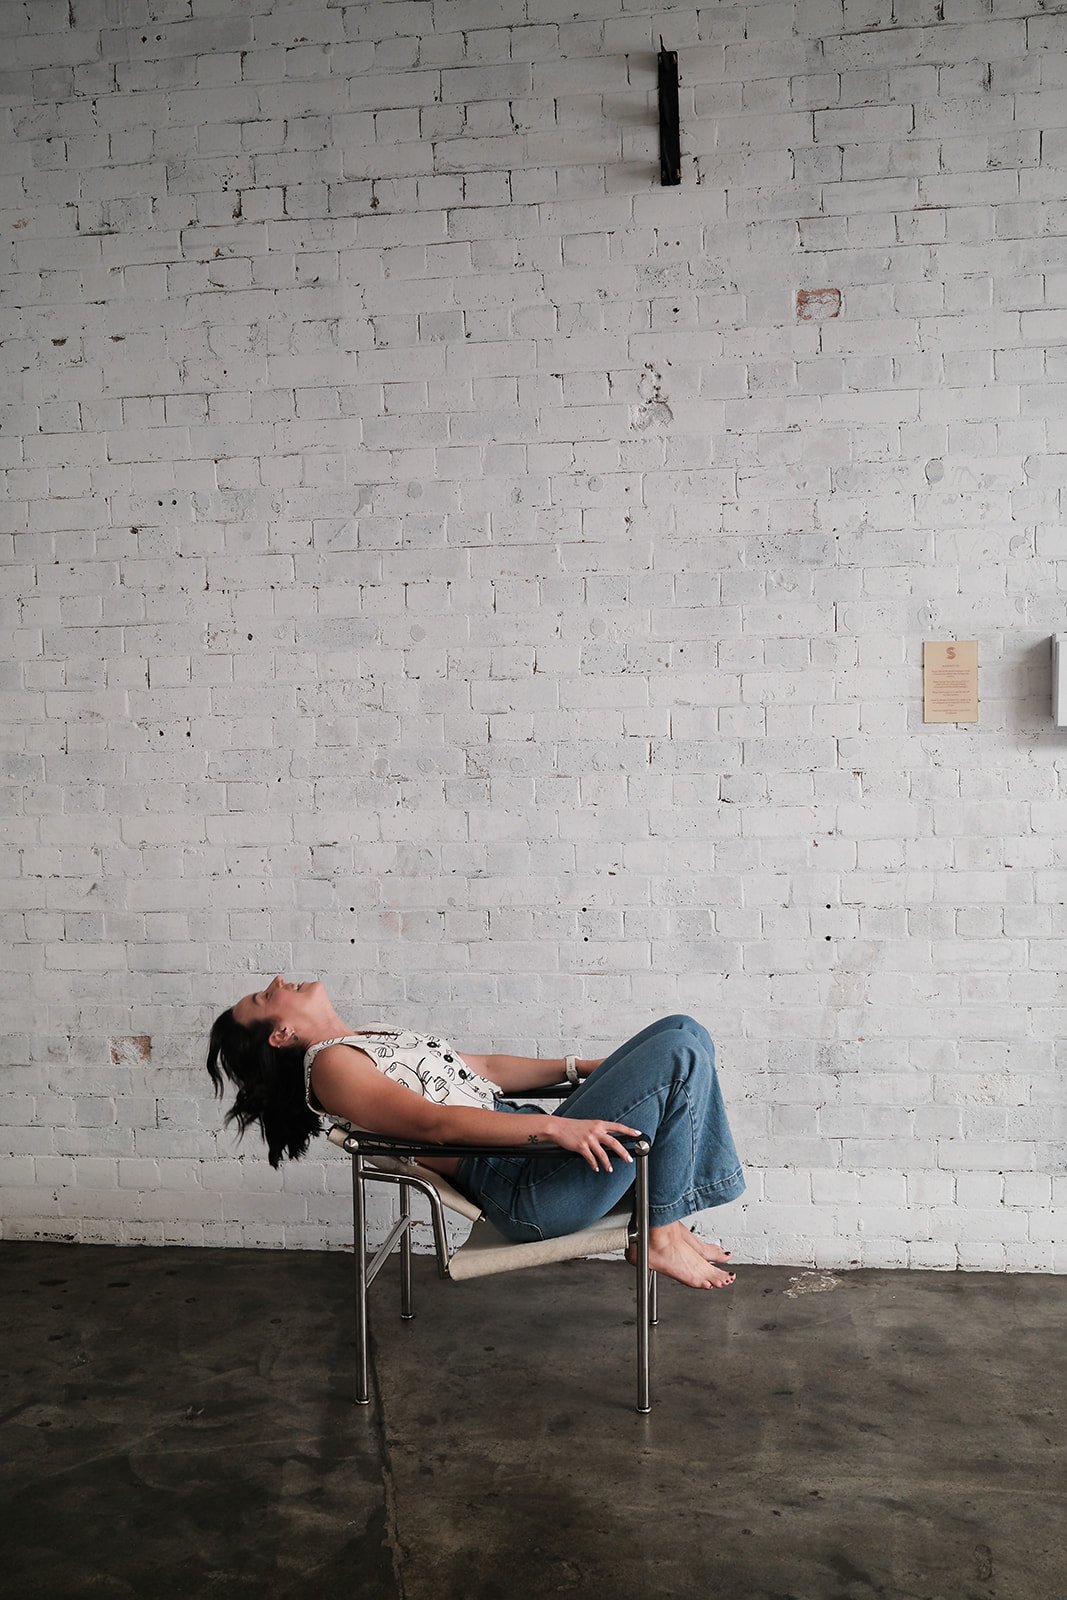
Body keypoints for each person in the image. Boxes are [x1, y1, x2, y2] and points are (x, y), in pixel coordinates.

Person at [207, 977, 745, 1290]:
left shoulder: (368, 1038)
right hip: (522, 1182)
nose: (277, 982)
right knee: (680, 1054)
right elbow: (435, 1126)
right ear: (281, 1034)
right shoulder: (330, 1069)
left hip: (529, 1148)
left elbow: (482, 1067)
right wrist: (553, 1126)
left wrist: (587, 1068)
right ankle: (660, 1234)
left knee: (682, 1031)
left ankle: (666, 1224)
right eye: (263, 997)